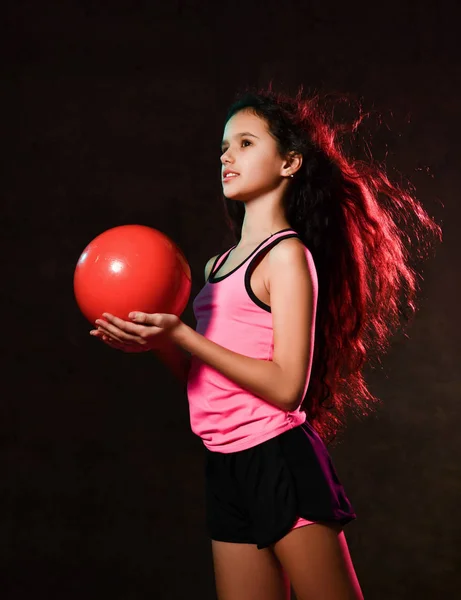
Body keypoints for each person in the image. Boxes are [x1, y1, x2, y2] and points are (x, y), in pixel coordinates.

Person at [90, 87, 442, 600]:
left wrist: (183, 334)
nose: (226, 156)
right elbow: (206, 384)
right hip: (224, 464)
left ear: (290, 162)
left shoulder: (287, 258)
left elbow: (285, 388)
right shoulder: (214, 268)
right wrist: (156, 343)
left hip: (278, 458)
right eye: (224, 147)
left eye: (246, 143)